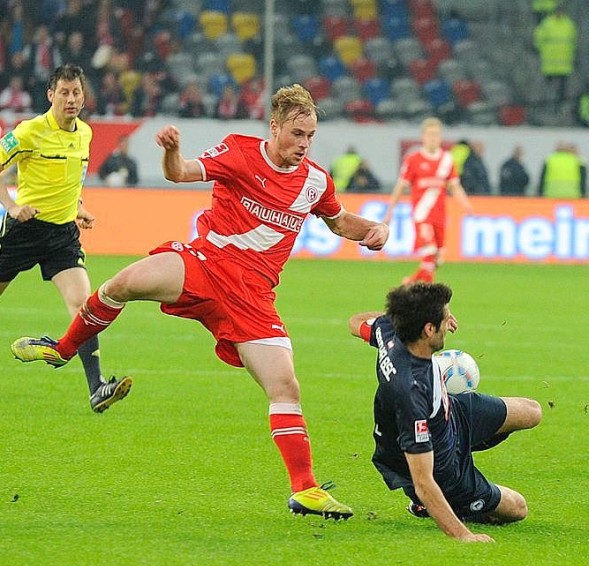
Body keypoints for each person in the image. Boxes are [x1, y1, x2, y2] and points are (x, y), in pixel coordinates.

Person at [12, 83, 390, 517]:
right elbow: (179, 173)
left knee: (285, 386)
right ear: (274, 127)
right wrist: (172, 150)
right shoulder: (240, 152)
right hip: (203, 265)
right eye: (296, 133)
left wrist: (372, 230)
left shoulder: (315, 182)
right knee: (122, 283)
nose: (304, 144)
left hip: (252, 297)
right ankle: (63, 348)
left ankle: (304, 489)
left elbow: (339, 222)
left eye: (310, 136)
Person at [348, 282, 542, 542]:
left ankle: (463, 467)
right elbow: (424, 481)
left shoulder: (390, 330)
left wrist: (403, 314)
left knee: (532, 412)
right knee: (518, 508)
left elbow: (355, 322)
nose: (448, 321)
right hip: (444, 468)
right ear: (429, 329)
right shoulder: (411, 393)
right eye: (444, 317)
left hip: (452, 416)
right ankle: (433, 506)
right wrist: (464, 536)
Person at [0, 64, 132, 412]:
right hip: (24, 232)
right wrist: (11, 206)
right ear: (50, 95)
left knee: (84, 306)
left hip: (62, 235)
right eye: (64, 92)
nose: (71, 99)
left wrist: (77, 206)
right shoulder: (29, 131)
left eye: (76, 93)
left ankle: (97, 388)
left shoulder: (85, 134)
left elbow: (71, 179)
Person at [384, 117, 472, 284]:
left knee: (436, 260)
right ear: (423, 137)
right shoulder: (413, 159)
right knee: (429, 251)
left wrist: (466, 204)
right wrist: (390, 211)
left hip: (439, 216)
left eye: (436, 134)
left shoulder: (446, 160)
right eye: (430, 134)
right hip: (421, 215)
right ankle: (427, 296)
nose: (433, 138)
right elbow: (401, 186)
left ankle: (409, 283)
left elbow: (454, 186)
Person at [533, 4, 577, 106]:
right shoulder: (546, 23)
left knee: (562, 87)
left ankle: (559, 104)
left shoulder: (569, 24)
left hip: (564, 61)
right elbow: (538, 39)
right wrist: (542, 51)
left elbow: (574, 40)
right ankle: (546, 104)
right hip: (549, 61)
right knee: (548, 87)